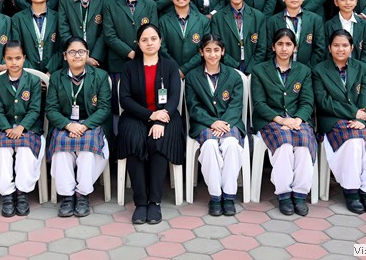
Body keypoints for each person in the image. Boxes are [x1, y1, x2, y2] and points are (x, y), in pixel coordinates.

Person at [312, 29, 366, 215]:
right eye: (336, 45)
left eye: (345, 45)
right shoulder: (319, 70)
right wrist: (353, 113)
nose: (340, 49)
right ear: (329, 48)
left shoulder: (362, 68)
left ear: (352, 48)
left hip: (365, 116)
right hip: (335, 118)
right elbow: (323, 101)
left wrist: (362, 118)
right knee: (354, 142)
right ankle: (352, 192)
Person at [117, 24, 185, 224]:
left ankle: (154, 202)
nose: (149, 43)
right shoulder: (130, 67)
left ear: (160, 41)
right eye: (144, 40)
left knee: (159, 140)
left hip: (166, 115)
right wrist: (150, 115)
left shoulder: (170, 66)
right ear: (138, 43)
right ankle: (140, 203)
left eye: (153, 38)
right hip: (136, 115)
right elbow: (125, 99)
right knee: (133, 139)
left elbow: (174, 98)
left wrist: (161, 120)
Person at [251, 28, 317, 216]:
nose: (284, 48)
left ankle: (300, 194)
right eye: (280, 44)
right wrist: (281, 120)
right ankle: (284, 194)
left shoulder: (303, 71)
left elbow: (307, 102)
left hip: (297, 120)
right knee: (285, 144)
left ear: (295, 47)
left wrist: (297, 119)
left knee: (304, 144)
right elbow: (259, 103)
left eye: (288, 44)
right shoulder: (260, 70)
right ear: (273, 47)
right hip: (271, 120)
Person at [46, 37, 112, 218]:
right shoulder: (57, 77)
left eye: (81, 51)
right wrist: (68, 125)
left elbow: (104, 108)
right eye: (72, 52)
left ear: (87, 54)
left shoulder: (100, 76)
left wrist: (84, 126)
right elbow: (51, 110)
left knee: (87, 149)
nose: (77, 56)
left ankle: (82, 194)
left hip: (91, 124)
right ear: (65, 55)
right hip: (66, 124)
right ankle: (67, 196)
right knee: (61, 147)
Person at [185, 34, 244, 216]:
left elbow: (236, 105)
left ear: (223, 51)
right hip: (204, 124)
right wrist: (212, 122)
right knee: (210, 146)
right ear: (201, 52)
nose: (212, 54)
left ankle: (229, 195)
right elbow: (193, 107)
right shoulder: (192, 76)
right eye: (208, 50)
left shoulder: (233, 75)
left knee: (232, 145)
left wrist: (224, 123)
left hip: (229, 123)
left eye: (216, 50)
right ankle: (216, 196)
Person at [0, 41, 44, 217]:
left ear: (24, 58)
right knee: (3, 150)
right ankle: (7, 194)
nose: (14, 62)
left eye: (18, 58)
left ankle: (22, 193)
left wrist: (21, 127)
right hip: (5, 129)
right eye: (9, 58)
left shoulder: (33, 81)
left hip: (27, 129)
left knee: (25, 150)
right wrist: (7, 129)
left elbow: (35, 109)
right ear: (4, 59)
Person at [103, 0, 159, 76]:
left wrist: (142, 53)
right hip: (119, 63)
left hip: (145, 61)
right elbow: (109, 36)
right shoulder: (110, 4)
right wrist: (130, 53)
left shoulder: (150, 5)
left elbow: (153, 34)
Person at [210, 0, 267, 74]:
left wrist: (250, 70)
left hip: (253, 68)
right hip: (228, 68)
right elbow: (217, 47)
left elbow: (262, 48)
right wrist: (235, 67)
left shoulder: (258, 16)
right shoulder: (217, 18)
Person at [58, 0, 108, 68]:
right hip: (72, 57)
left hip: (97, 59)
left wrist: (94, 56)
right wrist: (79, 54)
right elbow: (63, 30)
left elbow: (105, 31)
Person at [159, 0, 210, 80]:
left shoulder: (203, 21)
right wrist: (175, 69)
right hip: (170, 72)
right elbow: (162, 49)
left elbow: (205, 48)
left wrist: (184, 70)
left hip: (197, 73)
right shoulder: (163, 21)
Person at [266, 0, 326, 66]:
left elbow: (319, 49)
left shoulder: (315, 20)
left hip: (308, 70)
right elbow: (269, 50)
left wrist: (307, 70)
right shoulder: (272, 21)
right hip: (279, 69)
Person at [11, 0, 61, 74]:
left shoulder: (58, 17)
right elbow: (16, 49)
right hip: (27, 74)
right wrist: (33, 74)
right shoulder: (17, 19)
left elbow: (62, 48)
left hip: (53, 74)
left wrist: (50, 72)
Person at [324, 0, 366, 66]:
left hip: (359, 69)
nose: (348, 2)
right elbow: (326, 52)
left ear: (356, 1)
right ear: (336, 2)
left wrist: (360, 70)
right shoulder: (328, 26)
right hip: (333, 68)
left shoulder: (365, 26)